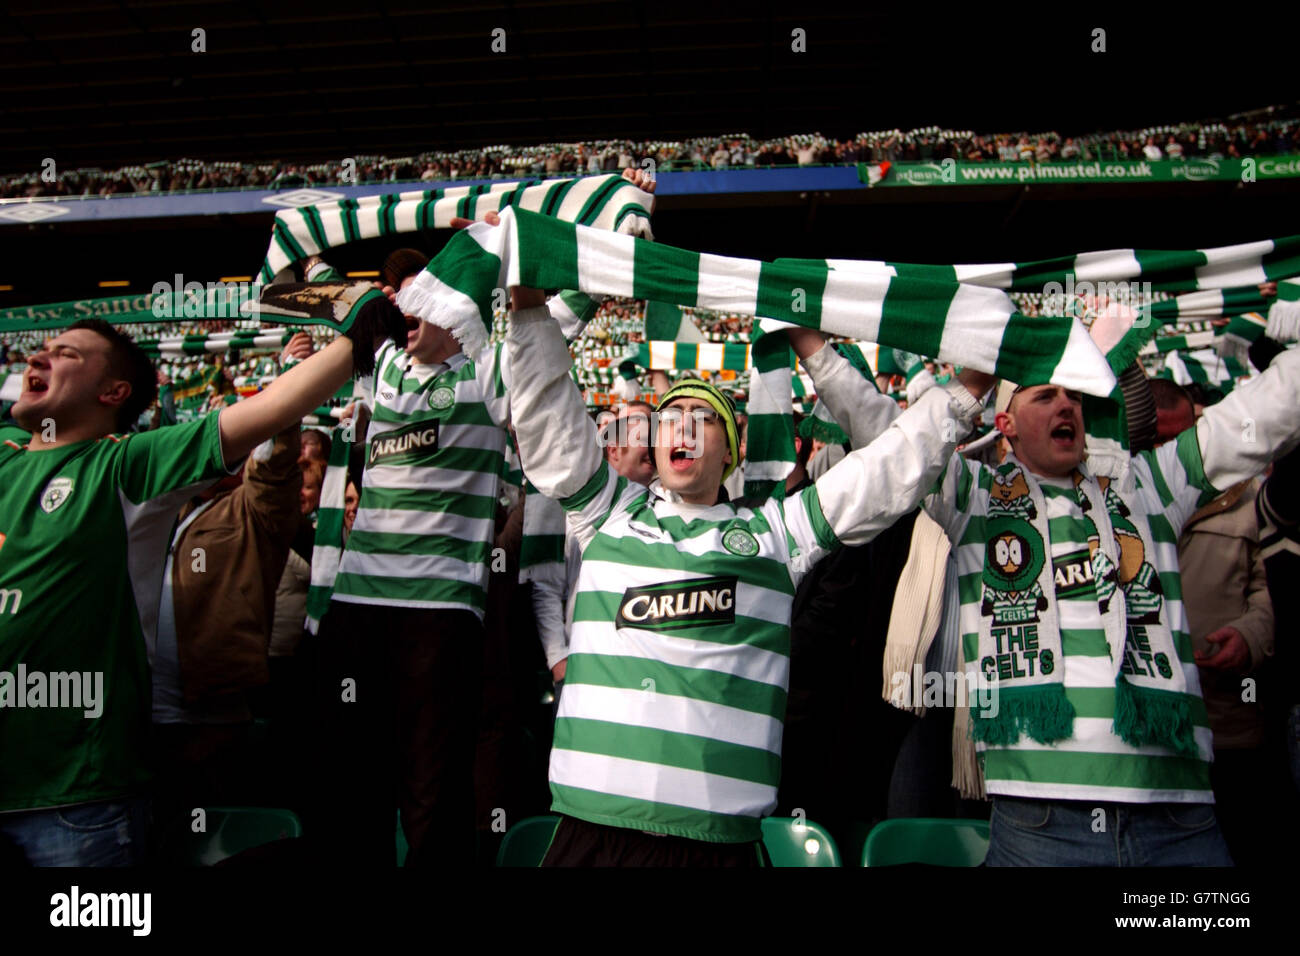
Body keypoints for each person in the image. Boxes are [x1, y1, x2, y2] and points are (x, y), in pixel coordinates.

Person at [504, 280, 992, 865]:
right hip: (590, 835)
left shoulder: (776, 534)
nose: (683, 427)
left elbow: (885, 471)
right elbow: (545, 416)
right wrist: (531, 304)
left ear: (731, 451)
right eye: (671, 417)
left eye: (702, 419)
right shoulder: (604, 515)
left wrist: (962, 397)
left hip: (717, 847)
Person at [0, 306, 398, 866]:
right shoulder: (5, 456)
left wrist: (362, 329)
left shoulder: (124, 467)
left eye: (68, 354)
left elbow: (270, 419)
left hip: (75, 798)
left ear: (114, 392)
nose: (39, 356)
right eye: (43, 349)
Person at [888, 346, 1300, 866]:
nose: (1068, 406)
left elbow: (1270, 409)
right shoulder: (974, 499)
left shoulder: (1151, 487)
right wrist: (966, 382)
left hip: (1178, 818)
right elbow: (891, 448)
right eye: (1046, 396)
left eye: (1076, 398)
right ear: (1006, 423)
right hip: (1041, 825)